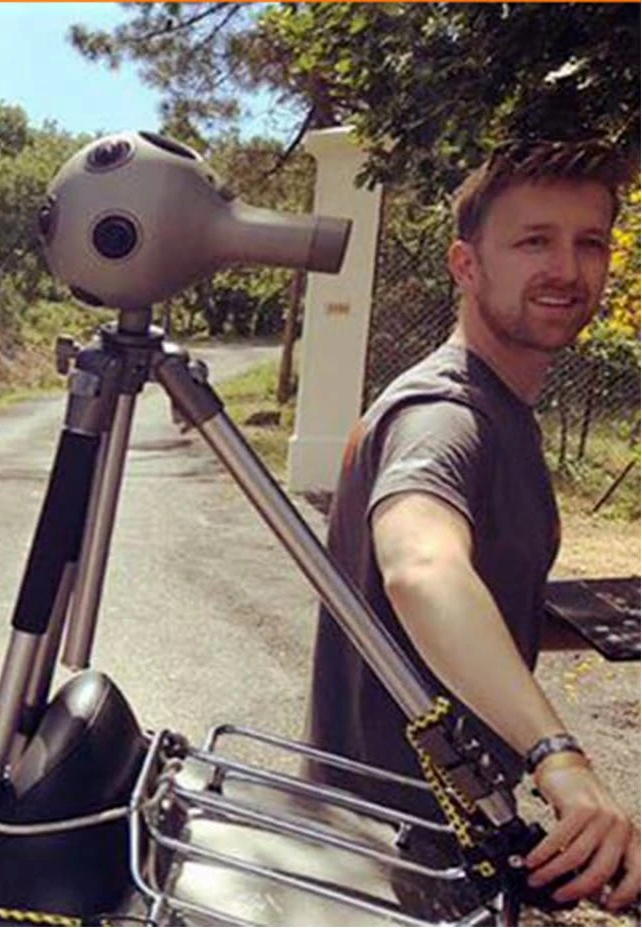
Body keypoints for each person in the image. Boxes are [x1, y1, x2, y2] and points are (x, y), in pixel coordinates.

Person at [304, 138, 640, 914]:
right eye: (533, 242)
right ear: (465, 266)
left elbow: (468, 590)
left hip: (435, 830)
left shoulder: (502, 408)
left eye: (588, 242)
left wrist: (589, 621)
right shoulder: (444, 416)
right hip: (402, 856)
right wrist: (560, 760)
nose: (567, 268)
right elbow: (421, 569)